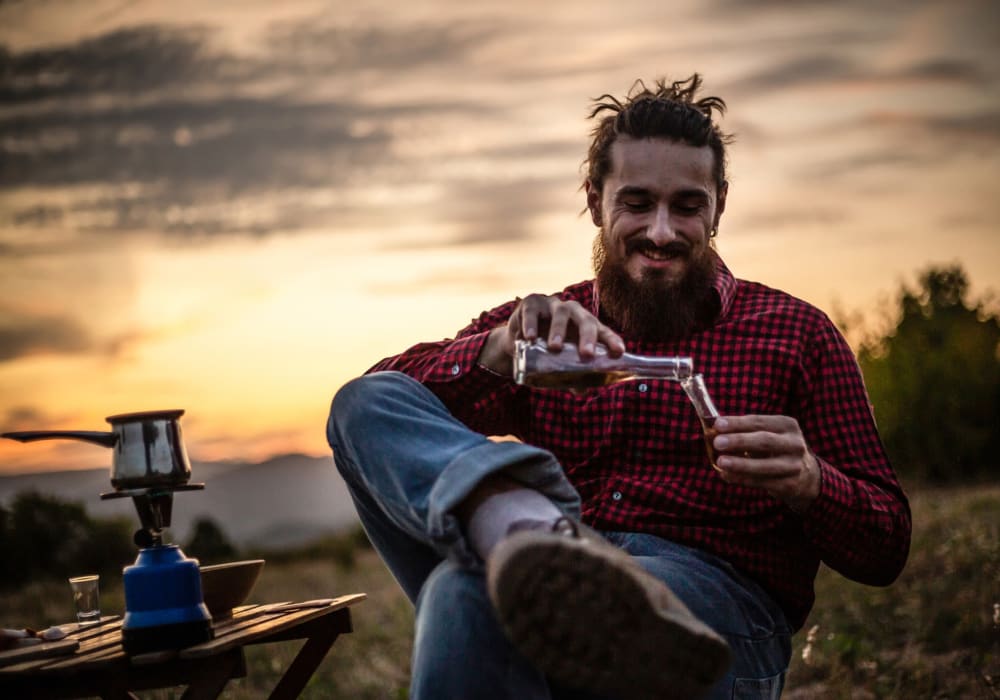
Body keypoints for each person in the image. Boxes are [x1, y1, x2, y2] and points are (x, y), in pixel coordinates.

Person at [327, 74, 911, 700]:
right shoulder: (546, 328)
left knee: (460, 592)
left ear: (719, 206)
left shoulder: (796, 334)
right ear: (594, 198)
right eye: (636, 203)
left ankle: (547, 568)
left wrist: (810, 483)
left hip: (715, 612)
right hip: (550, 565)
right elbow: (381, 412)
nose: (661, 233)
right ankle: (523, 533)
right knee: (363, 402)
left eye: (687, 206)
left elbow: (886, 548)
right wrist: (499, 353)